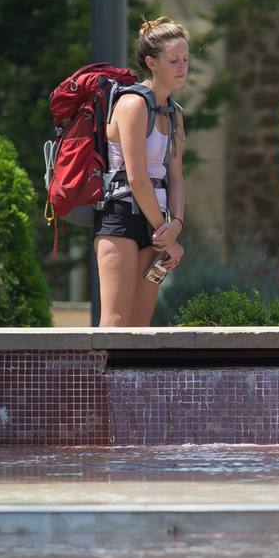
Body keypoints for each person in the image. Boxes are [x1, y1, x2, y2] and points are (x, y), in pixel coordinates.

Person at [96, 17, 188, 327]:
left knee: (140, 321)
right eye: (173, 60)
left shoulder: (175, 113)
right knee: (116, 321)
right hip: (120, 217)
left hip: (156, 224)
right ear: (151, 62)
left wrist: (175, 224)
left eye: (186, 59)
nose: (182, 67)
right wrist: (166, 234)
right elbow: (135, 176)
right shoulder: (133, 103)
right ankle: (99, 379)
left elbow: (175, 175)